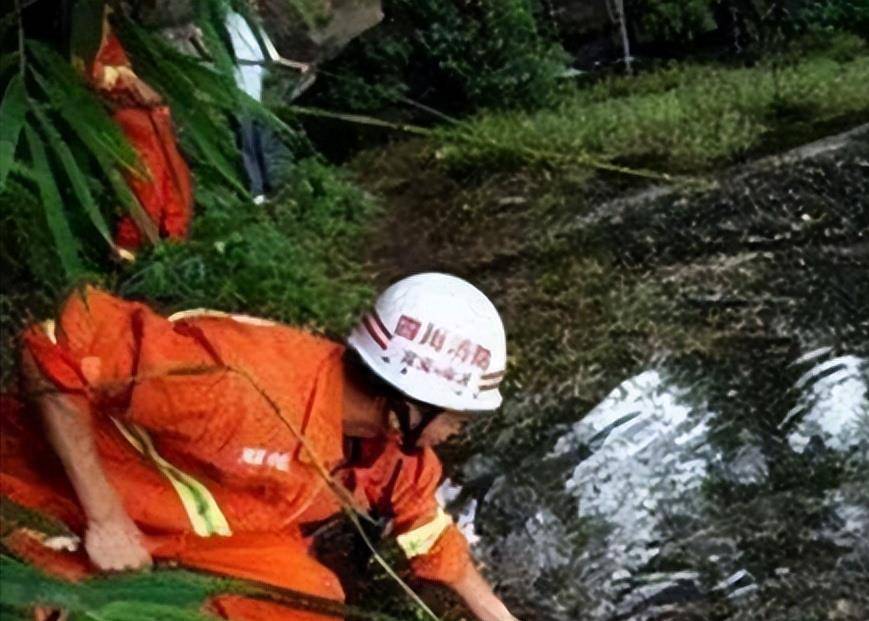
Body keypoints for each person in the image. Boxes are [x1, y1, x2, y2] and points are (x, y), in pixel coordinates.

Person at [0, 273, 517, 621]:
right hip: (57, 493)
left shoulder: (380, 441)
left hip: (205, 535)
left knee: (311, 604)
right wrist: (105, 516)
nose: (455, 434)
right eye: (457, 419)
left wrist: (497, 615)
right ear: (409, 402)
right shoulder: (235, 387)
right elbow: (51, 346)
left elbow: (423, 522)